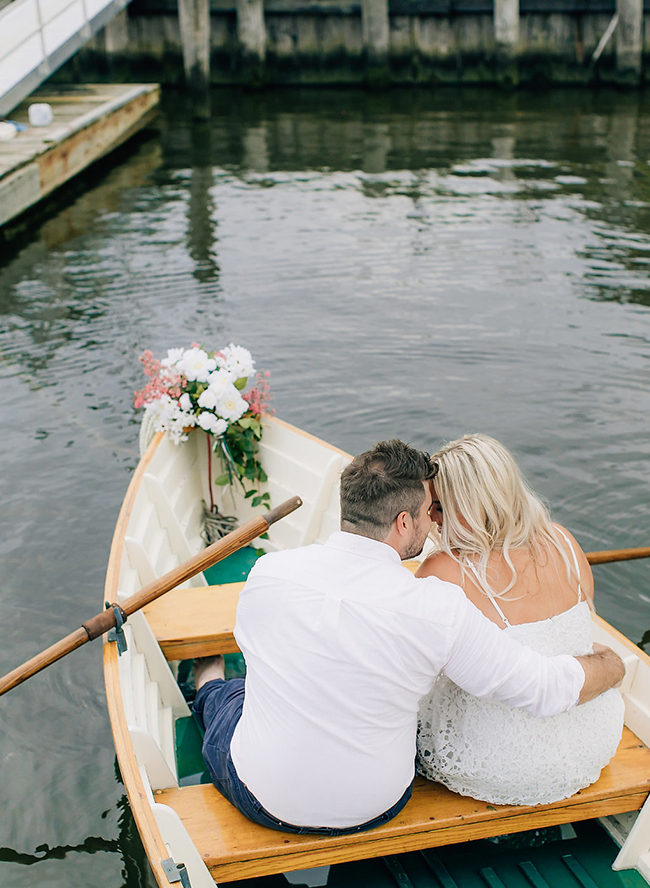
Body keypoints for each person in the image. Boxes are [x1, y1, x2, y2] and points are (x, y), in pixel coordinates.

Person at [192, 439, 624, 834]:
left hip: (262, 799)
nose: (433, 524)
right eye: (427, 511)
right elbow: (540, 687)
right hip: (378, 805)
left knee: (234, 695)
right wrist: (611, 662)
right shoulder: (437, 607)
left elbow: (253, 646)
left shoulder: (269, 573)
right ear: (403, 522)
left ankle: (205, 682)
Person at [416, 433, 625, 806]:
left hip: (500, 761)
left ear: (476, 504)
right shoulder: (563, 540)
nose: (431, 518)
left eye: (441, 508)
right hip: (592, 742)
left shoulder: (441, 568)